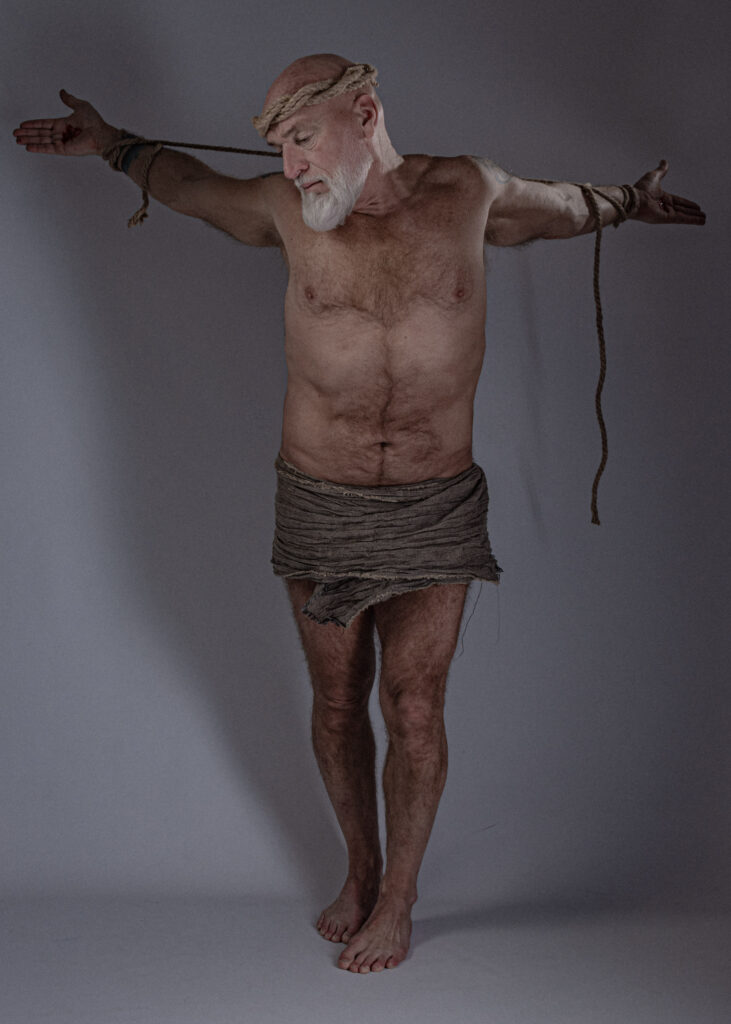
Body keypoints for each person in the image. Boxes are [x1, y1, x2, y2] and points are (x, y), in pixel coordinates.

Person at [13, 53, 706, 974]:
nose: (291, 164)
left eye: (302, 139)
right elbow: (189, 185)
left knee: (414, 707)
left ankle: (401, 897)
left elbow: (557, 208)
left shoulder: (467, 191)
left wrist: (626, 201)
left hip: (434, 502)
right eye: (279, 146)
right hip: (319, 498)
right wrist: (110, 143)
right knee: (338, 700)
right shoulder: (281, 208)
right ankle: (361, 868)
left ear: (365, 116)